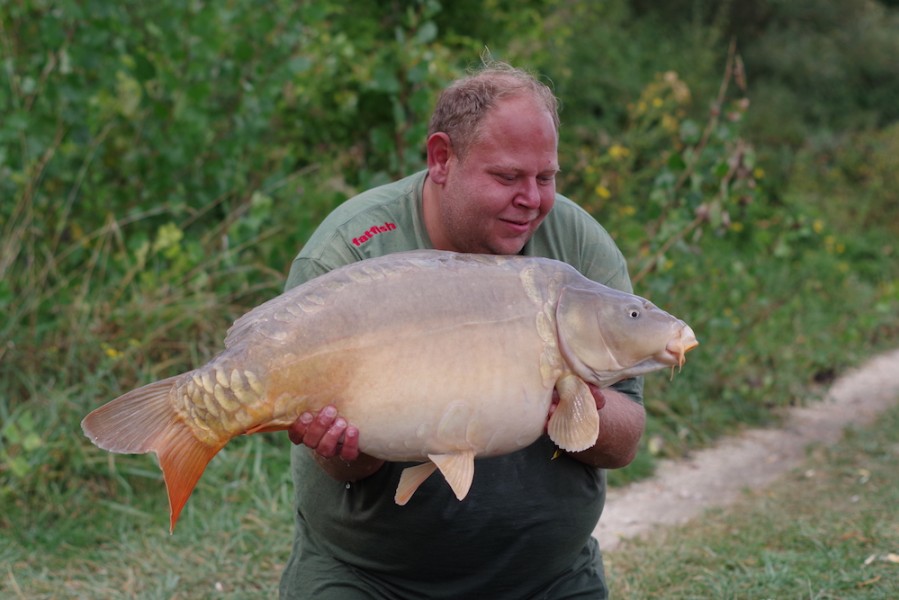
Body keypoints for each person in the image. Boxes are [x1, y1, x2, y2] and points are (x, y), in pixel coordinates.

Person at [278, 61, 645, 599]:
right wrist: (343, 442)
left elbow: (625, 439)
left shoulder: (578, 249)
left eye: (546, 178)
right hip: (372, 579)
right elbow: (337, 468)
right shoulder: (352, 251)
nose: (532, 200)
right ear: (442, 158)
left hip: (547, 579)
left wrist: (571, 402)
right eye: (506, 177)